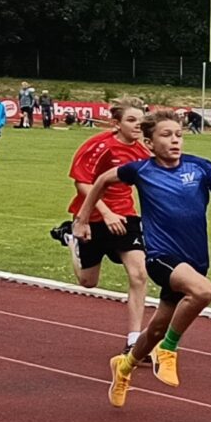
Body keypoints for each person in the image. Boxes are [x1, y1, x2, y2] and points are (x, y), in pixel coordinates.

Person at [75, 110, 211, 407]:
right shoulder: (141, 170)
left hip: (194, 259)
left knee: (154, 328)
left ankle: (124, 367)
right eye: (166, 136)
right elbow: (101, 179)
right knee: (203, 290)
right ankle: (168, 350)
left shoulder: (200, 167)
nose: (175, 141)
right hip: (160, 257)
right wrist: (83, 218)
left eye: (178, 135)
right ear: (150, 142)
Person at [51, 97, 153, 357]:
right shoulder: (99, 146)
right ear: (116, 123)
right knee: (88, 282)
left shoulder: (142, 153)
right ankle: (71, 238)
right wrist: (105, 214)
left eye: (141, 121)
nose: (137, 126)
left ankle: (133, 340)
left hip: (126, 217)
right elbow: (82, 183)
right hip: (94, 217)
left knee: (139, 273)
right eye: (131, 120)